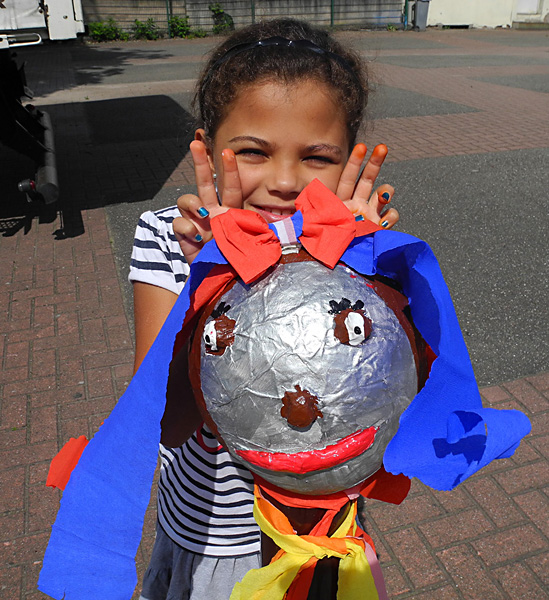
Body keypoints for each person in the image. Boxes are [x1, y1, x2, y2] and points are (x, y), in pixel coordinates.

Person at [130, 18, 400, 600]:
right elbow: (164, 417)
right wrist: (209, 279)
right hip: (213, 535)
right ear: (207, 146)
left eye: (317, 157)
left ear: (348, 157)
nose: (284, 181)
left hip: (323, 528)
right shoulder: (164, 240)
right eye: (253, 151)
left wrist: (371, 273)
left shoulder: (353, 249)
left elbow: (391, 390)